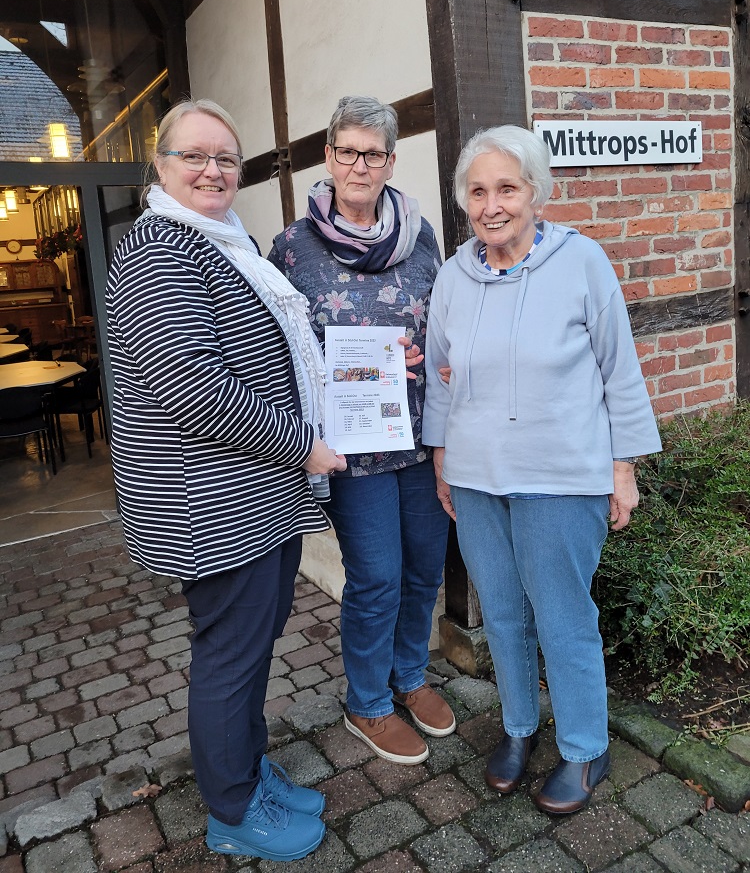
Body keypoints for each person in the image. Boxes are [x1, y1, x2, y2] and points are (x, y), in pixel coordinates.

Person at [106, 99, 346, 861]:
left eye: (227, 158)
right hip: (209, 504)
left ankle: (246, 768)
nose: (213, 170)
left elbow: (277, 348)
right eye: (195, 156)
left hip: (253, 495)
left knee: (251, 646)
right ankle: (232, 807)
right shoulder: (160, 251)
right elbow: (193, 387)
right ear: (161, 164)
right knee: (230, 654)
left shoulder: (220, 242)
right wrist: (302, 445)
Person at [423, 125, 661, 815]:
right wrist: (442, 460)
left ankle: (587, 748)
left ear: (536, 193)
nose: (491, 204)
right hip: (475, 475)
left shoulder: (582, 262)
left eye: (507, 188)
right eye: (477, 190)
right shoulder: (452, 276)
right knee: (502, 614)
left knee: (562, 617)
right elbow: (441, 382)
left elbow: (621, 370)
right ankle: (521, 729)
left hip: (561, 475)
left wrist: (622, 468)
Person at [268, 95, 454, 765]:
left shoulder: (421, 234)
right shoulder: (292, 247)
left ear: (391, 161)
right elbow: (276, 347)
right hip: (353, 452)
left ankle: (409, 678)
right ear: (328, 157)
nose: (359, 164)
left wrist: (424, 352)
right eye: (347, 150)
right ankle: (367, 702)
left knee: (425, 568)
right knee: (376, 576)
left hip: (420, 438)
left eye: (373, 153)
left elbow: (443, 321)